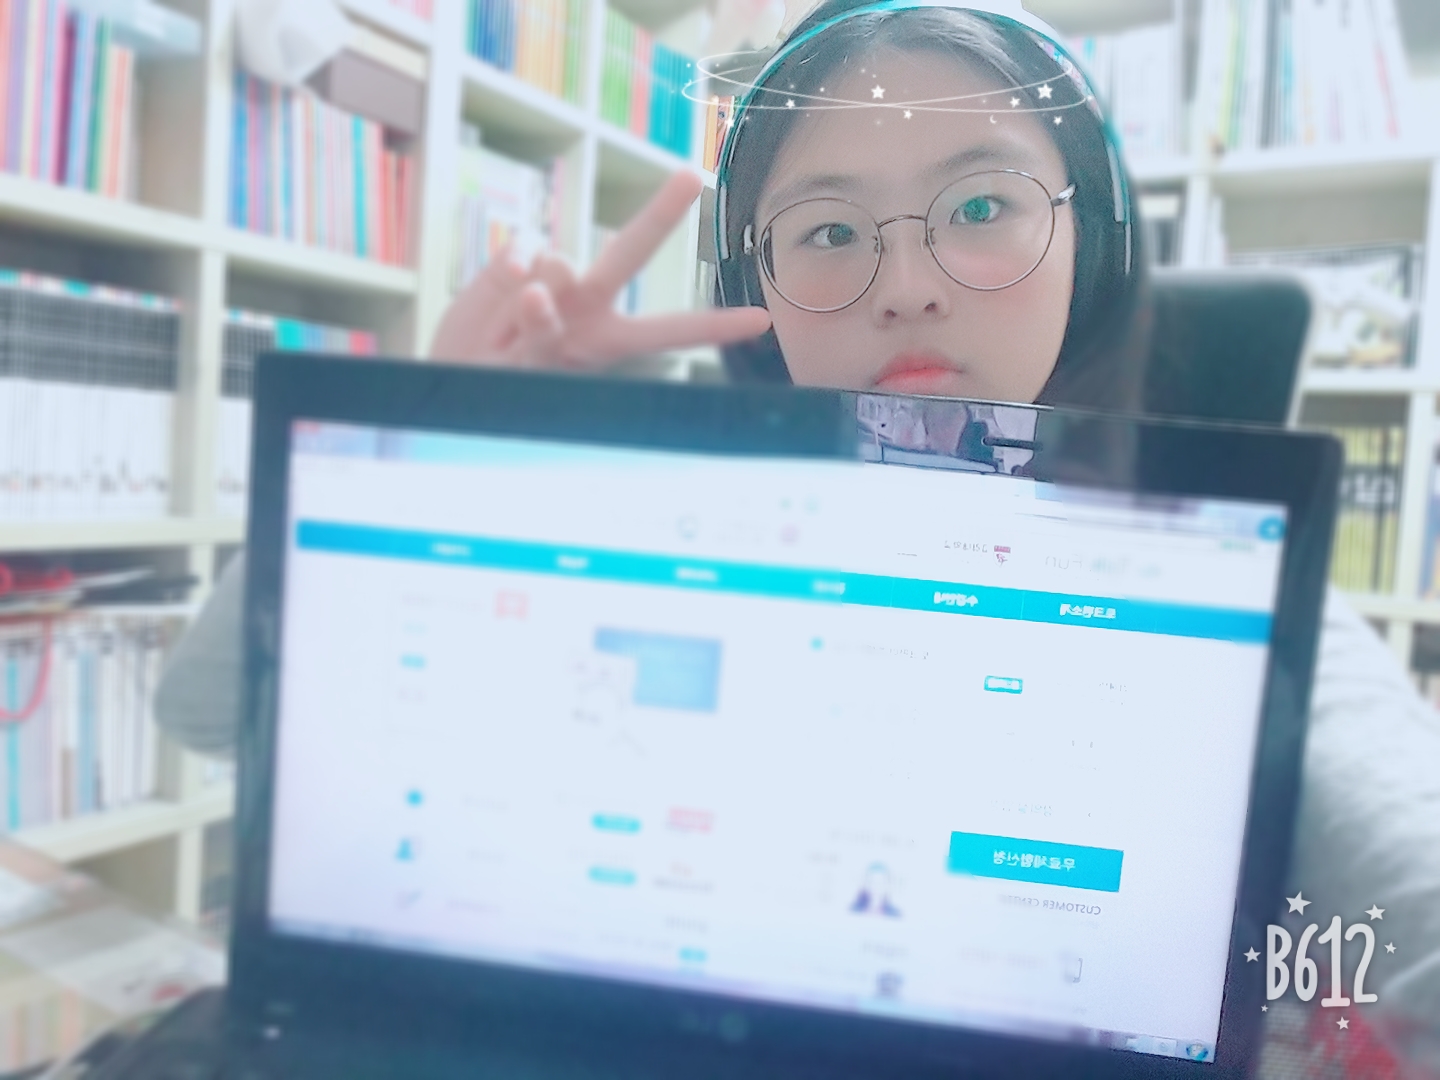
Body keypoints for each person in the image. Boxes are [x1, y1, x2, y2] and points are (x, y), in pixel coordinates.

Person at [158, 0, 1440, 1068]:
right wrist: (436, 442)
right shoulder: (643, 498)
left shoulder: (1221, 571)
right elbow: (203, 709)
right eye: (828, 231)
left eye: (980, 207)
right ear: (754, 285)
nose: (908, 285)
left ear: (1091, 248)